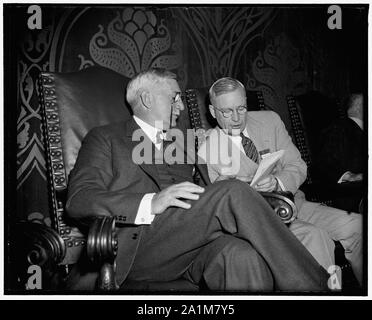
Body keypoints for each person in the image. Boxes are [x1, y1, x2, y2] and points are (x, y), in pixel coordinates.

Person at [66, 69, 330, 292]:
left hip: (189, 248)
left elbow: (206, 200)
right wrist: (151, 202)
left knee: (242, 256)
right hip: (133, 249)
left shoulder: (183, 144)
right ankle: (316, 288)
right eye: (175, 98)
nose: (181, 106)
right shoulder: (105, 138)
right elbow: (80, 200)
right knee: (231, 192)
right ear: (147, 99)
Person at [197, 77, 362, 286]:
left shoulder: (269, 121)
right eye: (227, 112)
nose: (237, 118)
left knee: (359, 227)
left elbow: (298, 166)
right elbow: (221, 212)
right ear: (213, 112)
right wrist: (241, 188)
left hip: (296, 203)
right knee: (315, 237)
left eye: (241, 108)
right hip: (263, 219)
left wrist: (277, 182)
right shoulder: (207, 150)